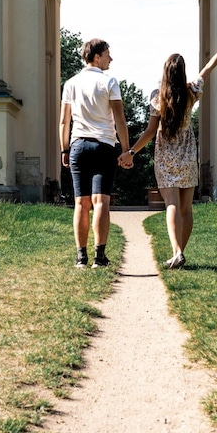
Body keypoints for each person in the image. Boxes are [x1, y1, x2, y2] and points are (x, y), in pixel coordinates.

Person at [123, 30, 217, 269]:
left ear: (165, 72)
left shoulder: (158, 97)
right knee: (187, 209)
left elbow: (149, 131)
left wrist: (131, 151)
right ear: (182, 72)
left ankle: (177, 251)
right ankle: (180, 253)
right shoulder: (191, 91)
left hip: (166, 156)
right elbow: (209, 67)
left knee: (171, 205)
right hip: (187, 154)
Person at [60, 39, 132, 269]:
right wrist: (126, 150)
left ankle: (81, 258)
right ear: (97, 57)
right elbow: (120, 119)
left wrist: (64, 148)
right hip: (103, 146)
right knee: (101, 201)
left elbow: (64, 121)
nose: (111, 59)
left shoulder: (71, 83)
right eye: (108, 54)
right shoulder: (109, 81)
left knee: (81, 204)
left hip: (78, 146)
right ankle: (99, 258)